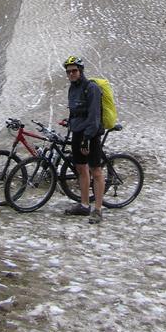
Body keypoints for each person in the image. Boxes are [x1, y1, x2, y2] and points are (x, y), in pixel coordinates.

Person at [62, 55, 105, 224]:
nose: (71, 74)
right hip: (78, 131)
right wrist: (70, 122)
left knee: (96, 170)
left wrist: (87, 138)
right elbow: (75, 110)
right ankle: (84, 204)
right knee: (81, 168)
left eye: (74, 71)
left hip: (91, 134)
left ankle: (98, 210)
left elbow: (94, 116)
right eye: (68, 72)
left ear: (81, 71)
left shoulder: (91, 88)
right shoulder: (73, 89)